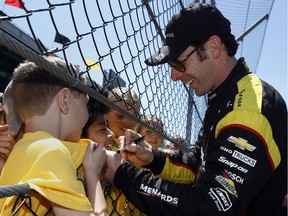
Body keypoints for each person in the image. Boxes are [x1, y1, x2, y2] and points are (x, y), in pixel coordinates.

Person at [102, 3, 287, 215]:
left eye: (179, 63)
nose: (174, 76)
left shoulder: (248, 110)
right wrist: (152, 158)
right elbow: (197, 167)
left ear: (213, 48)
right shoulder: (222, 98)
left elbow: (213, 206)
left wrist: (122, 174)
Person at [0, 56, 108, 215]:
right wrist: (92, 174)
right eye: (85, 105)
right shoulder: (53, 151)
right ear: (64, 100)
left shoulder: (19, 148)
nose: (87, 115)